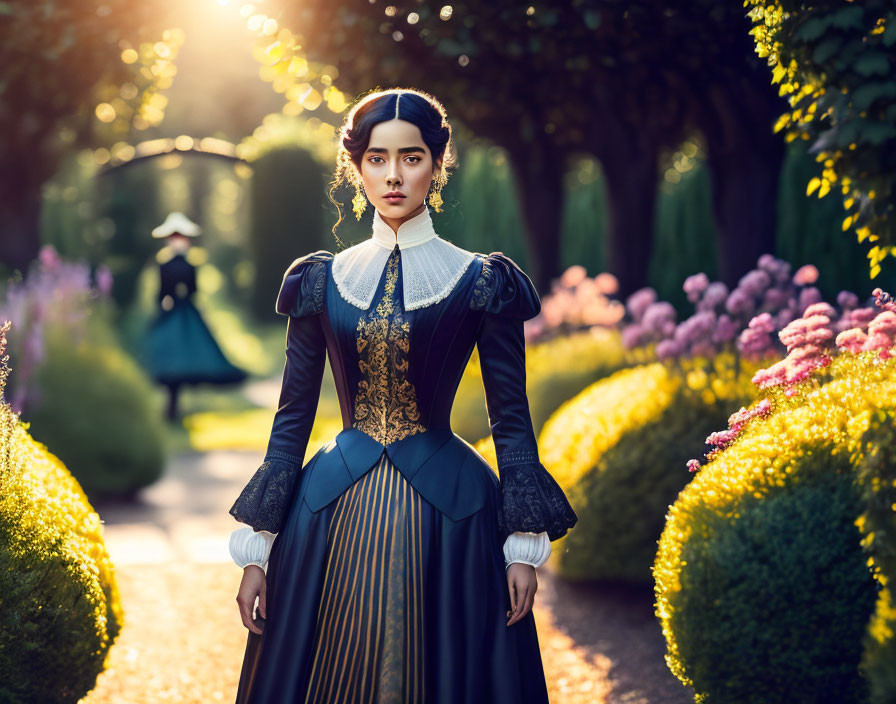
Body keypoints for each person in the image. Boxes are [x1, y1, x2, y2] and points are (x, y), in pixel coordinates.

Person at [227, 88, 578, 703]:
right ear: (355, 166)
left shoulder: (481, 281)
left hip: (452, 515)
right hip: (328, 506)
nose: (394, 175)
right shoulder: (320, 280)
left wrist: (522, 546)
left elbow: (511, 417)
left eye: (411, 158)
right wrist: (258, 550)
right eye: (377, 158)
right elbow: (292, 416)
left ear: (437, 165)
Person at [144, 212, 247, 421]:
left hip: (175, 313)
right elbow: (189, 291)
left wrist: (165, 306)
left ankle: (174, 408)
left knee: (175, 359)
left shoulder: (170, 265)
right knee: (178, 358)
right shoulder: (183, 265)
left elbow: (165, 294)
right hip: (182, 313)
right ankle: (173, 408)